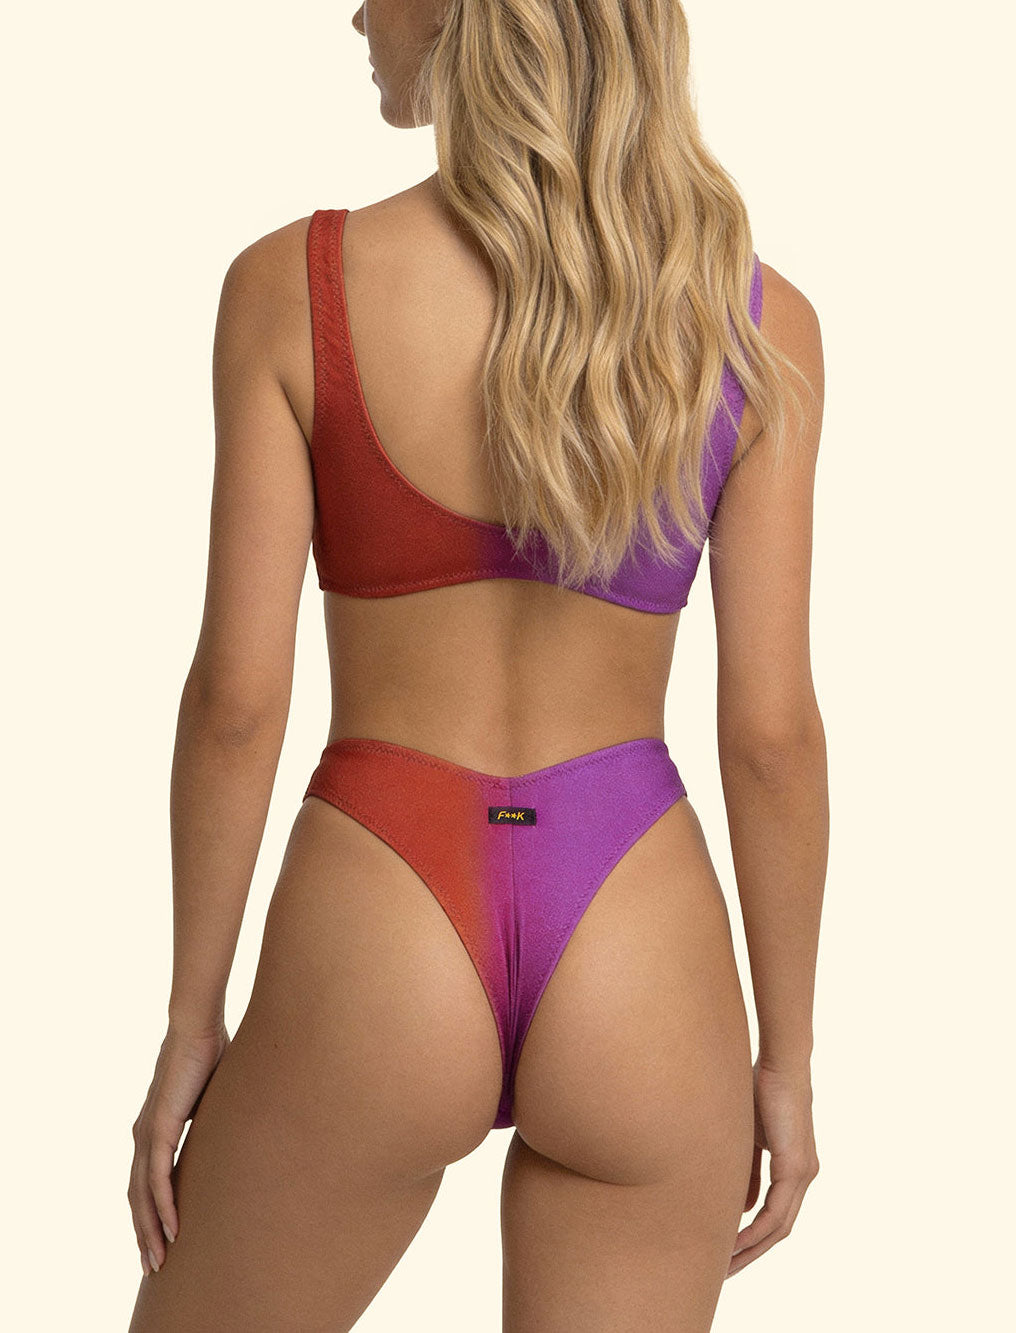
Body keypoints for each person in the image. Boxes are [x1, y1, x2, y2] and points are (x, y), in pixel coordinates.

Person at [127, 2, 827, 1328]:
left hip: (380, 908)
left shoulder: (294, 288)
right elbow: (773, 735)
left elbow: (235, 704)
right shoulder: (754, 320)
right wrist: (783, 1062)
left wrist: (190, 1023)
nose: (354, 11)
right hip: (639, 928)